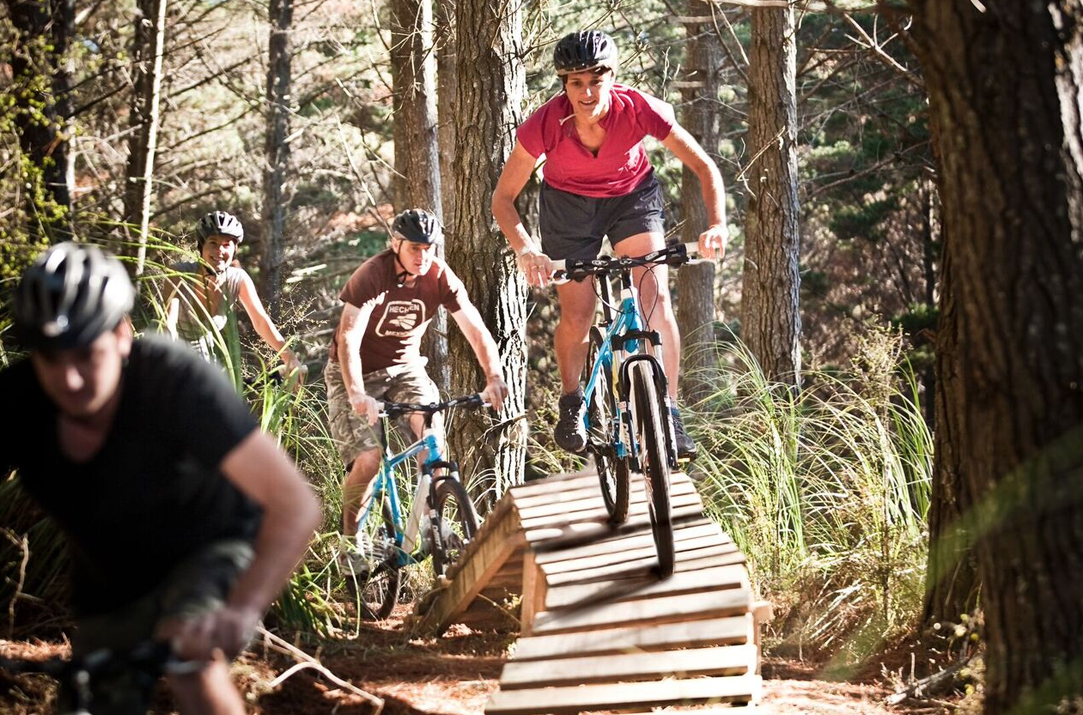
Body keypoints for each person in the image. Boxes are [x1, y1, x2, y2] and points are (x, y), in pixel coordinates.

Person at [0, 242, 322, 715]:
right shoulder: (10, 405)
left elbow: (295, 503)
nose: (69, 379)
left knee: (190, 660)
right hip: (112, 572)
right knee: (92, 697)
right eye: (51, 358)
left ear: (123, 335)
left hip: (209, 546)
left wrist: (239, 612)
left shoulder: (174, 382)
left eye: (87, 355)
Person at [492, 29, 730, 460]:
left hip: (631, 200)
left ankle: (669, 412)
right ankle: (572, 400)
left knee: (654, 299)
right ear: (564, 85)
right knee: (578, 313)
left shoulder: (638, 109)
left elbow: (703, 166)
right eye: (576, 83)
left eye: (596, 81)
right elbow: (503, 198)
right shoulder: (544, 124)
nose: (587, 93)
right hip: (568, 208)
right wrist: (526, 249)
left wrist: (716, 225)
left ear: (612, 77)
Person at [326, 209, 508, 556]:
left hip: (405, 368)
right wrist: (357, 393)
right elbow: (348, 337)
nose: (422, 256)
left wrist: (494, 377)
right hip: (354, 373)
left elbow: (473, 327)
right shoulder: (372, 275)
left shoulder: (439, 276)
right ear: (395, 244)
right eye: (414, 248)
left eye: (428, 248)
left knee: (432, 438)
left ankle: (431, 523)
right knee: (369, 459)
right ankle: (351, 545)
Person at [165, 210, 303, 376]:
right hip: (166, 354)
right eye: (213, 243)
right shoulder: (179, 273)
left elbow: (261, 322)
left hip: (202, 360)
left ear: (234, 249)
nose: (219, 250)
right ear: (201, 246)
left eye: (226, 245)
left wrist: (290, 358)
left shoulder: (238, 279)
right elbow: (168, 322)